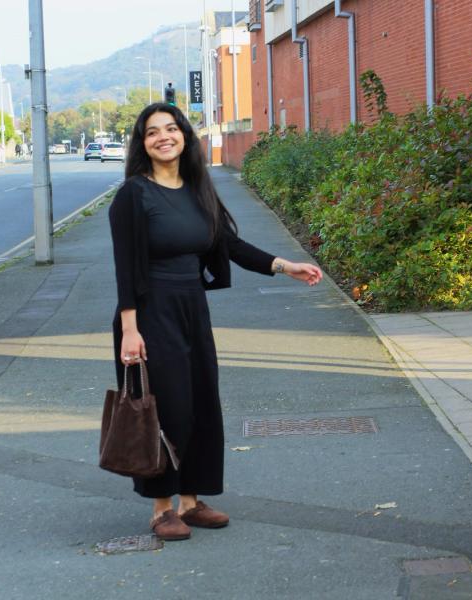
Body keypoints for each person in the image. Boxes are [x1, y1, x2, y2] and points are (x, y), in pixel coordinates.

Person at [108, 103, 323, 541]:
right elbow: (125, 267)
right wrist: (130, 329)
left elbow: (229, 244)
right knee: (165, 407)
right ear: (142, 143)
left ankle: (191, 501)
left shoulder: (197, 190)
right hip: (151, 312)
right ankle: (161, 507)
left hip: (192, 309)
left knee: (201, 403)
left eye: (171, 128)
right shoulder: (134, 194)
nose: (163, 137)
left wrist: (284, 265)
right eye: (152, 132)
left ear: (186, 135)